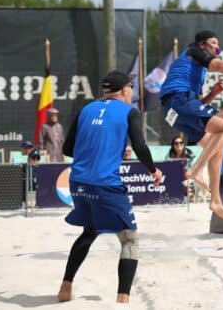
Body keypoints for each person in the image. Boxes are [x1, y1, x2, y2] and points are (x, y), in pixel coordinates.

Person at [57, 70, 163, 304]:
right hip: (105, 184)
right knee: (129, 240)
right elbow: (140, 146)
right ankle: (122, 301)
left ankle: (65, 287)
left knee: (90, 230)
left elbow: (67, 149)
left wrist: (93, 150)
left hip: (78, 181)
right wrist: (154, 170)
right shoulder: (129, 112)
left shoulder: (86, 110)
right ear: (124, 90)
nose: (132, 92)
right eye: (131, 88)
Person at [159, 30, 223, 221]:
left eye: (217, 44)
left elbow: (198, 103)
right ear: (202, 44)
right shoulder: (194, 51)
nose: (216, 47)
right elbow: (220, 65)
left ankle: (215, 200)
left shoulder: (196, 70)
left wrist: (213, 93)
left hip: (174, 109)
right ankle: (197, 169)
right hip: (177, 101)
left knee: (218, 146)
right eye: (213, 43)